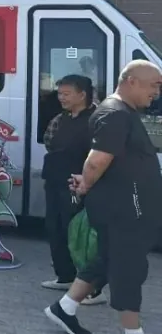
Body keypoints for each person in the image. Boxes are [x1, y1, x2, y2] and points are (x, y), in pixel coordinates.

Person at [45, 60, 162, 334]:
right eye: (154, 85)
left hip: (128, 206)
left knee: (107, 259)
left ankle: (64, 308)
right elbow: (96, 161)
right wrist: (86, 184)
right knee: (128, 269)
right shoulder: (115, 114)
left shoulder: (121, 112)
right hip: (124, 209)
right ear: (132, 81)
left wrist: (87, 181)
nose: (157, 93)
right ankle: (133, 331)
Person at [39, 74, 105, 305]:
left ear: (82, 95)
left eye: (66, 94)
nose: (61, 98)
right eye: (59, 93)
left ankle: (93, 289)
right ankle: (65, 276)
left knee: (81, 236)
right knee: (56, 229)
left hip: (80, 186)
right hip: (55, 181)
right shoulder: (61, 118)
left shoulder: (98, 120)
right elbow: (49, 141)